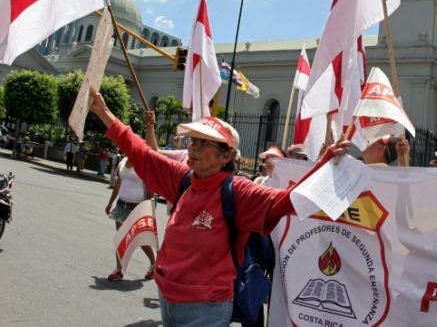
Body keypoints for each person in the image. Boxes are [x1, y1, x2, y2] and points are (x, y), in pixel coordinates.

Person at [88, 88, 349, 327]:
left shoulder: (238, 191)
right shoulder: (183, 179)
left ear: (227, 156)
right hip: (167, 298)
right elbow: (140, 152)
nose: (193, 147)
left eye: (204, 143)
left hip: (207, 309)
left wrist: (325, 162)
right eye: (193, 140)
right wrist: (102, 110)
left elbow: (289, 200)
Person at [105, 157, 157, 281]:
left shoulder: (143, 162)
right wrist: (110, 202)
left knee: (138, 238)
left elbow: (150, 187)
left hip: (137, 206)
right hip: (122, 204)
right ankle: (119, 269)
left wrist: (147, 207)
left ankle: (153, 264)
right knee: (121, 238)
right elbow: (119, 183)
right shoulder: (123, 161)